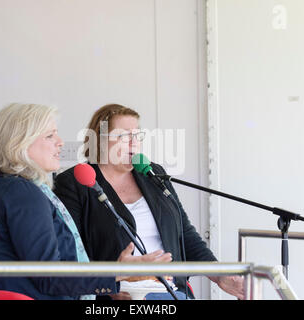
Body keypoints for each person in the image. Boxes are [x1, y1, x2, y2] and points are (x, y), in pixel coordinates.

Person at [0, 103, 172, 300]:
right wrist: (118, 273)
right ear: (19, 143)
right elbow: (50, 277)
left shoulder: (1, 187)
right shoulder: (22, 194)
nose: (60, 142)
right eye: (50, 135)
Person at [53, 104, 245, 300]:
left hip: (170, 290)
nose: (133, 143)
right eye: (123, 136)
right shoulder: (76, 182)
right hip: (119, 295)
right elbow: (71, 251)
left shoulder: (153, 174)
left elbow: (185, 234)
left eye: (137, 136)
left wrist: (219, 275)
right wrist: (109, 284)